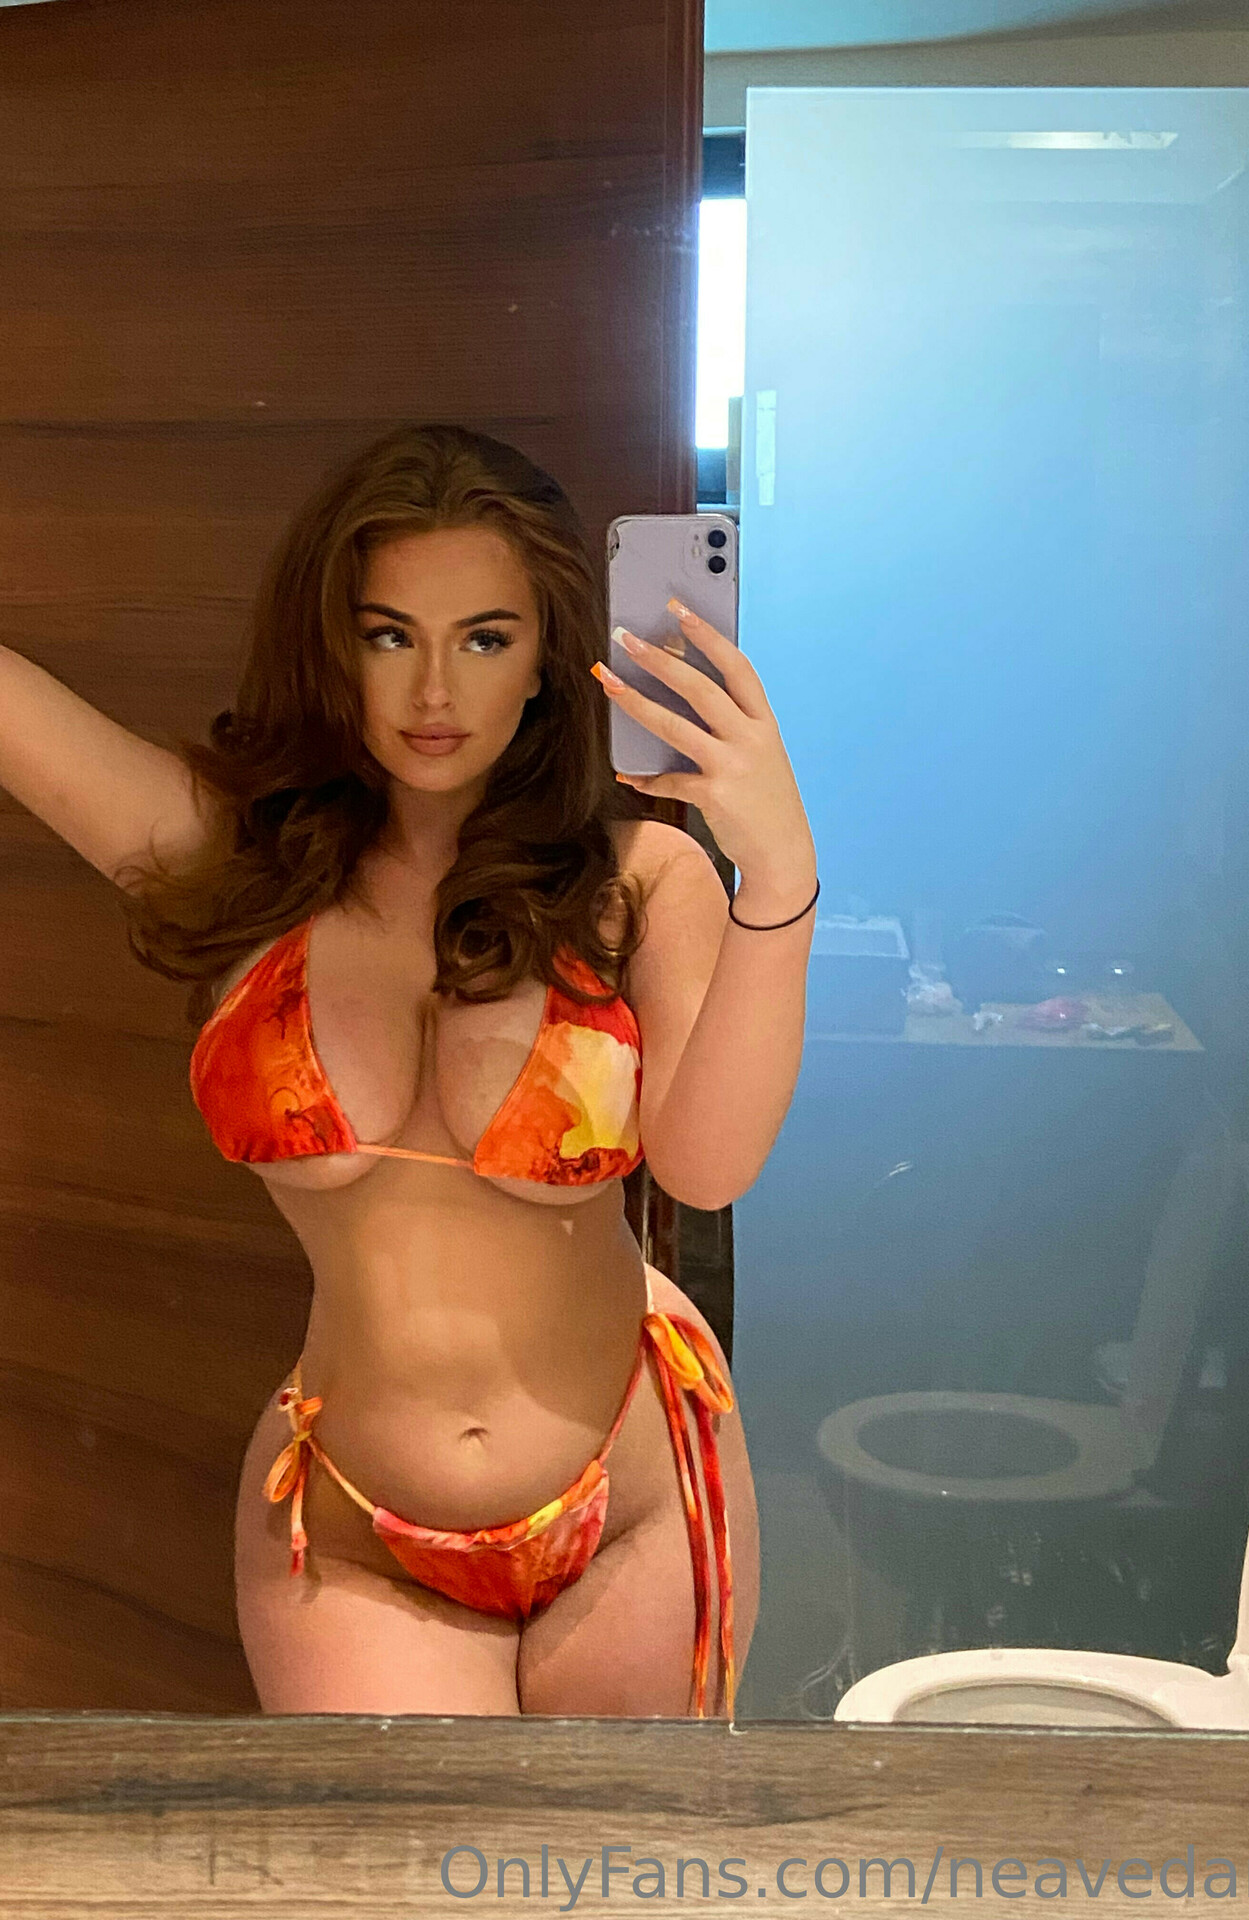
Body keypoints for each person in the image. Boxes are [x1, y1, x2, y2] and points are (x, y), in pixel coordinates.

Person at [0, 424, 817, 1715]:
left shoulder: (637, 885)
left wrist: (777, 872)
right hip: (354, 1527)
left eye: (485, 639)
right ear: (335, 646)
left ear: (547, 656)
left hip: (637, 1500)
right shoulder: (242, 873)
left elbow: (710, 1169)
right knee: (411, 1853)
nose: (435, 691)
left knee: (621, 1851)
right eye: (391, 636)